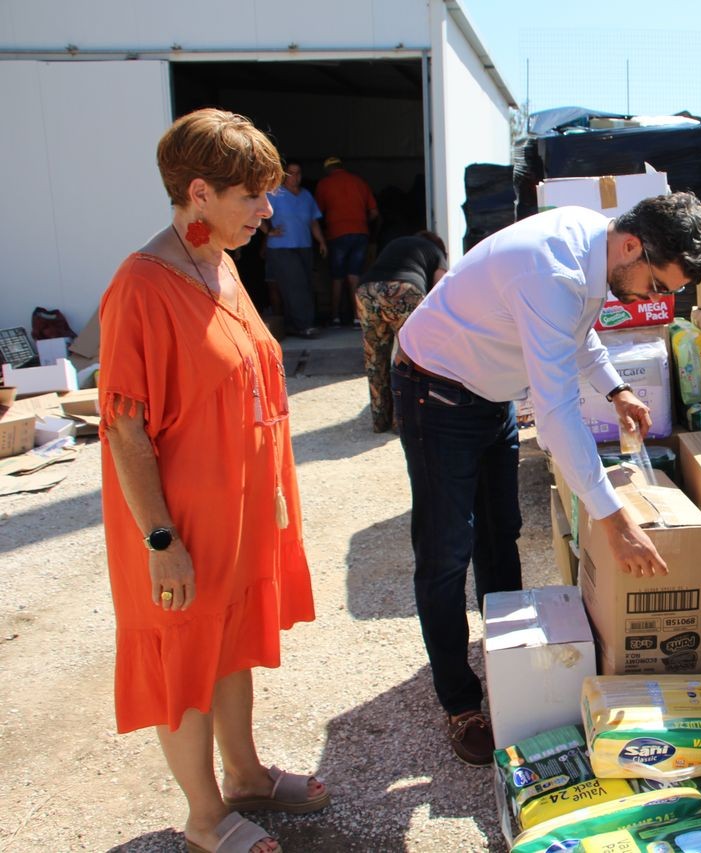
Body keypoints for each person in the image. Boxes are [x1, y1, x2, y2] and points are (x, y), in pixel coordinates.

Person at [393, 193, 701, 766]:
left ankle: (509, 660)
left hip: (490, 392)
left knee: (500, 531)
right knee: (446, 549)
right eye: (658, 285)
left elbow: (578, 332)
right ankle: (461, 701)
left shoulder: (598, 246)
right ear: (633, 245)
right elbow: (557, 410)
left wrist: (617, 388)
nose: (655, 300)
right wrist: (610, 518)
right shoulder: (554, 269)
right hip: (435, 389)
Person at [97, 109, 328, 853]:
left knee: (230, 646)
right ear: (200, 192)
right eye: (252, 197)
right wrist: (161, 539)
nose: (269, 210)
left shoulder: (220, 264)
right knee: (185, 658)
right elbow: (125, 427)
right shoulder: (142, 284)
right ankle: (203, 816)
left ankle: (248, 776)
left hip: (237, 514)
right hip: (177, 524)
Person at [356, 231, 448, 432]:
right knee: (410, 355)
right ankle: (403, 420)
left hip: (366, 291)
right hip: (405, 290)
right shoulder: (436, 252)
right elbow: (440, 289)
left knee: (375, 358)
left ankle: (380, 422)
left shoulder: (397, 242)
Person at [263, 161, 327, 338]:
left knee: (304, 285)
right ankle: (304, 325)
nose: (295, 177)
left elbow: (313, 221)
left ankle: (293, 325)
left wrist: (321, 241)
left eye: (298, 173)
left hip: (304, 245)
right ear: (284, 175)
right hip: (282, 248)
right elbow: (258, 215)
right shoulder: (275, 194)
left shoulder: (306, 195)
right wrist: (269, 230)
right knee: (295, 285)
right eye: (291, 173)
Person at [315, 156, 379, 327]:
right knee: (354, 277)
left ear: (328, 169)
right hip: (360, 234)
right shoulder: (359, 182)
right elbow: (374, 212)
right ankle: (358, 318)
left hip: (336, 234)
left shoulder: (324, 184)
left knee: (337, 277)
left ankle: (335, 317)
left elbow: (317, 214)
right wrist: (360, 221)